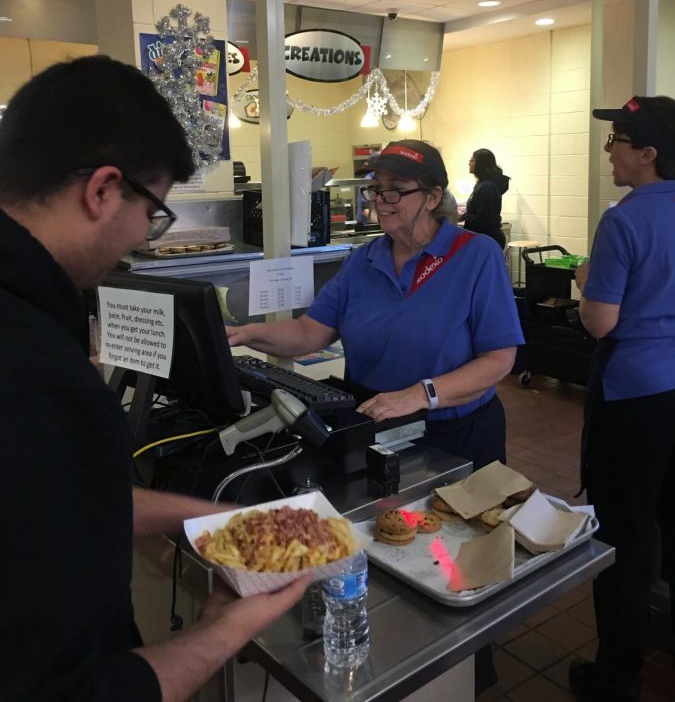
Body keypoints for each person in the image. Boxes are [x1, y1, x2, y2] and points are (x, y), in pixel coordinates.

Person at [0, 56, 310, 702]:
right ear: (103, 190)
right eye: (155, 213)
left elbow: (57, 507)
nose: (143, 239)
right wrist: (227, 627)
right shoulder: (42, 381)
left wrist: (217, 519)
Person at [228, 139, 523, 472]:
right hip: (376, 427)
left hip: (456, 434)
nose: (381, 201)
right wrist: (243, 334)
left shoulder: (475, 255)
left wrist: (420, 394)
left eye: (396, 190)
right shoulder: (364, 260)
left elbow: (499, 359)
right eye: (376, 189)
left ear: (432, 197)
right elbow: (308, 333)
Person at [568, 96, 675, 702]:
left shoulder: (625, 219)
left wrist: (588, 283)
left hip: (635, 397)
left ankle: (617, 677)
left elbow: (602, 323)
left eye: (618, 141)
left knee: (626, 538)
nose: (609, 150)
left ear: (648, 154)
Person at [460, 148, 510, 248]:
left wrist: (463, 216)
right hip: (483, 238)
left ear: (481, 164)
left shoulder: (486, 187)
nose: (469, 163)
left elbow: (484, 219)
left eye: (472, 160)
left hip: (487, 240)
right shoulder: (482, 184)